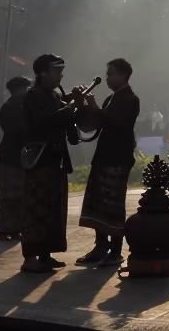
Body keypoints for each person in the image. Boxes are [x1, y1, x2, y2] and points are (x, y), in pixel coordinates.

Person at [21, 54, 84, 274]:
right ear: (42, 73)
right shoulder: (32, 96)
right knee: (35, 208)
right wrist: (67, 110)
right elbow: (39, 123)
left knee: (52, 208)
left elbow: (64, 122)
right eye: (56, 71)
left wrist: (74, 109)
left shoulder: (54, 95)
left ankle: (45, 255)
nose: (60, 76)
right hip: (40, 159)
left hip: (55, 158)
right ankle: (30, 258)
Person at [76, 58, 141, 266]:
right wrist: (82, 104)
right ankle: (100, 247)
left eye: (111, 73)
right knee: (99, 203)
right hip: (104, 155)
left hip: (118, 157)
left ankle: (115, 250)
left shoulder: (131, 99)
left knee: (113, 203)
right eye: (107, 74)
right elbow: (94, 124)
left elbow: (115, 124)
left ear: (123, 75)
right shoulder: (110, 99)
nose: (107, 78)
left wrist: (94, 105)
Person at [0, 77, 31, 240]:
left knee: (10, 194)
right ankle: (10, 228)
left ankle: (9, 228)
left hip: (9, 154)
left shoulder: (8, 106)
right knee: (14, 194)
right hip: (15, 155)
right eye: (25, 89)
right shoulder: (16, 107)